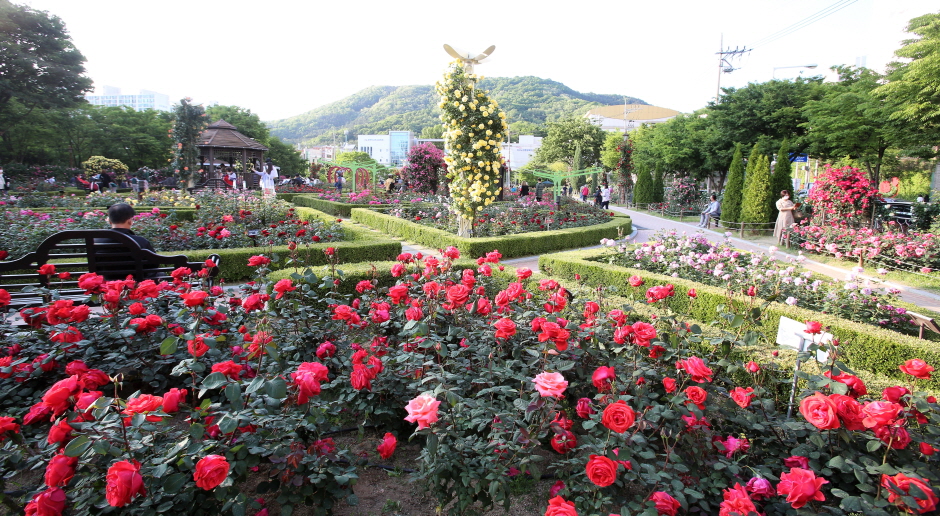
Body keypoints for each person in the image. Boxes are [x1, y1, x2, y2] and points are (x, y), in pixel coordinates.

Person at [94, 203, 157, 280]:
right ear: (130, 221)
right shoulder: (140, 241)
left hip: (107, 285)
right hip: (136, 285)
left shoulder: (96, 242)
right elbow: (154, 264)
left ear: (110, 221)